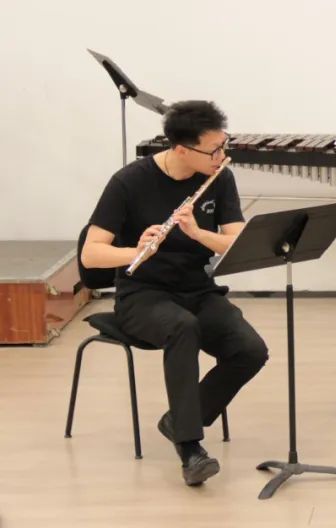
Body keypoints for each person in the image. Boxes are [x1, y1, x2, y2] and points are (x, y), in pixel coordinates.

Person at [81, 100, 268, 485]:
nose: (222, 156)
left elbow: (237, 241)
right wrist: (137, 250)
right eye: (213, 150)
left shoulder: (219, 177)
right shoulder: (129, 182)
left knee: (250, 350)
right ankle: (190, 448)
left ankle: (180, 419)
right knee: (182, 327)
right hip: (142, 293)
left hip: (197, 289)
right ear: (182, 150)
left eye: (224, 145)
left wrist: (199, 234)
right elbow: (91, 253)